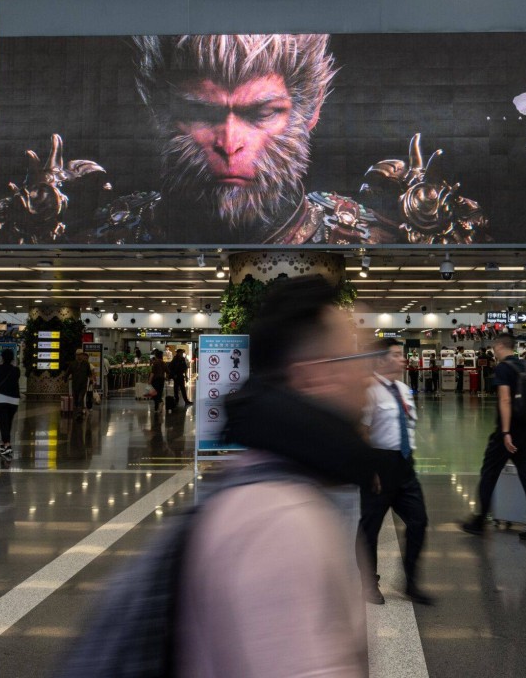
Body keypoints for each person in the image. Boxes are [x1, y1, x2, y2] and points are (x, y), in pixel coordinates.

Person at [176, 275, 376, 676]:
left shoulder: (271, 482)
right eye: (355, 358)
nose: (367, 376)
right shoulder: (281, 524)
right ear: (314, 376)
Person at [359, 338, 432, 606]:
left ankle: (410, 582)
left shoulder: (403, 388)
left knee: (418, 521)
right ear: (381, 359)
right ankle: (369, 583)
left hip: (405, 466)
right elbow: (362, 432)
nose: (403, 359)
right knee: (370, 528)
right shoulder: (369, 390)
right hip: (379, 465)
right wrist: (369, 469)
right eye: (397, 355)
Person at [462, 334, 526, 542]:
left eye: (495, 346)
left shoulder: (503, 368)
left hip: (508, 433)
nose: (494, 350)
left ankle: (479, 520)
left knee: (489, 473)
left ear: (501, 345)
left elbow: (505, 399)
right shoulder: (523, 365)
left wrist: (505, 432)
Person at [0, 348, 21, 457]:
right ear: (13, 358)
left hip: (1, 399)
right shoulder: (16, 370)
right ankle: (4, 443)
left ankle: (7, 445)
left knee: (3, 423)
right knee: (8, 422)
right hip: (14, 400)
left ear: (2, 357)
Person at [64, 349, 94, 418]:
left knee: (80, 399)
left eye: (80, 354)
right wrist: (65, 378)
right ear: (76, 355)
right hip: (75, 385)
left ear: (82, 355)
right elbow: (68, 372)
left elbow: (89, 373)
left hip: (83, 385)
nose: (79, 356)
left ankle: (79, 413)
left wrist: (91, 379)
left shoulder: (86, 364)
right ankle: (77, 411)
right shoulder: (73, 364)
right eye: (77, 355)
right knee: (76, 399)